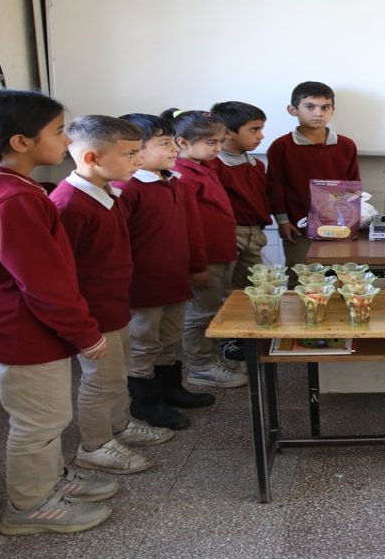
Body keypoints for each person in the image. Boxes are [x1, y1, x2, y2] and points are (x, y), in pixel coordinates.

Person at [0, 89, 115, 535]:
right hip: (23, 329)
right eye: (59, 131)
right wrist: (86, 334)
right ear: (21, 142)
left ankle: (50, 481)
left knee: (46, 416)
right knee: (39, 421)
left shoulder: (9, 187)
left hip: (21, 326)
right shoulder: (15, 199)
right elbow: (42, 283)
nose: (67, 141)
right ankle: (28, 507)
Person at [49, 115, 174, 476]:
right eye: (130, 153)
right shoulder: (68, 204)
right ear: (91, 158)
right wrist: (81, 326)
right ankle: (95, 445)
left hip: (116, 305)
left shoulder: (109, 192)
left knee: (116, 376)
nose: (138, 160)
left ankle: (119, 426)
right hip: (93, 314)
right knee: (100, 381)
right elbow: (59, 273)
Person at [116, 114, 215, 430]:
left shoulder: (174, 182)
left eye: (174, 142)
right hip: (143, 287)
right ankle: (146, 403)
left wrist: (197, 264)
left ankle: (171, 390)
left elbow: (193, 229)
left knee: (169, 338)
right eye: (164, 143)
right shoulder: (126, 188)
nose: (174, 149)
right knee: (144, 343)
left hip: (175, 281)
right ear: (135, 151)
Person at [163, 109, 247, 388]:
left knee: (212, 310)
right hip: (205, 260)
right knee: (199, 315)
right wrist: (197, 265)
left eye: (221, 141)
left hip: (221, 254)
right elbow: (188, 227)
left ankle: (211, 358)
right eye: (211, 143)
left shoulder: (205, 167)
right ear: (182, 143)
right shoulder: (181, 177)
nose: (219, 148)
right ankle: (200, 366)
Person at [266, 82, 360, 268]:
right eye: (310, 107)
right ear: (293, 110)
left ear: (333, 110)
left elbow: (353, 185)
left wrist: (348, 218)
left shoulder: (346, 145)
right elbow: (275, 187)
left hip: (338, 226)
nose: (319, 113)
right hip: (298, 228)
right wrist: (283, 222)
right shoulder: (281, 146)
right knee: (300, 276)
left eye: (325, 107)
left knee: (338, 277)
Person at [209, 100, 270, 364]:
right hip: (228, 233)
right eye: (254, 130)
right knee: (220, 290)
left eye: (261, 129)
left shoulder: (256, 165)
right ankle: (222, 343)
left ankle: (242, 337)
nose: (261, 136)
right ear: (229, 132)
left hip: (253, 233)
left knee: (249, 287)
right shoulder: (214, 165)